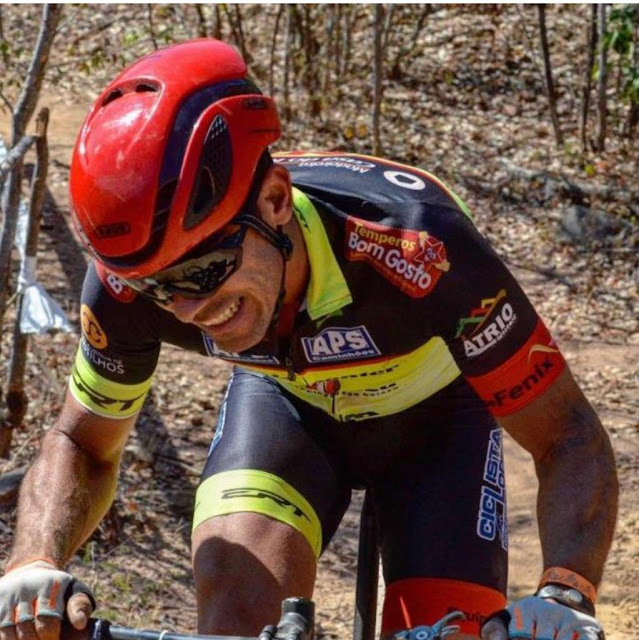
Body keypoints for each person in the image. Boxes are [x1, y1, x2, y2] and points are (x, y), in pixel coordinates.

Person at [0, 39, 617, 640]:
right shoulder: (128, 287)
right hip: (288, 409)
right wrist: (32, 561)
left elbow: (566, 434)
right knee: (236, 618)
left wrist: (565, 592)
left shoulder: (420, 250)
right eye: (159, 287)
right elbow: (83, 442)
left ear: (273, 200)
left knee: (453, 628)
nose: (189, 310)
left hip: (439, 424)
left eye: (203, 272)